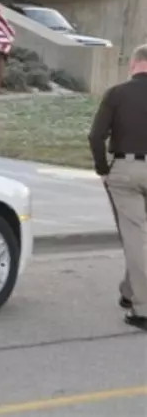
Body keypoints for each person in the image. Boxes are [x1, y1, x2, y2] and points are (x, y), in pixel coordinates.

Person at [88, 44, 147, 332]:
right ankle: (128, 290)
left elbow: (96, 135)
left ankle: (142, 307)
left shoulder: (117, 93)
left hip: (126, 169)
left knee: (135, 235)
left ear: (134, 64)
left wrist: (103, 168)